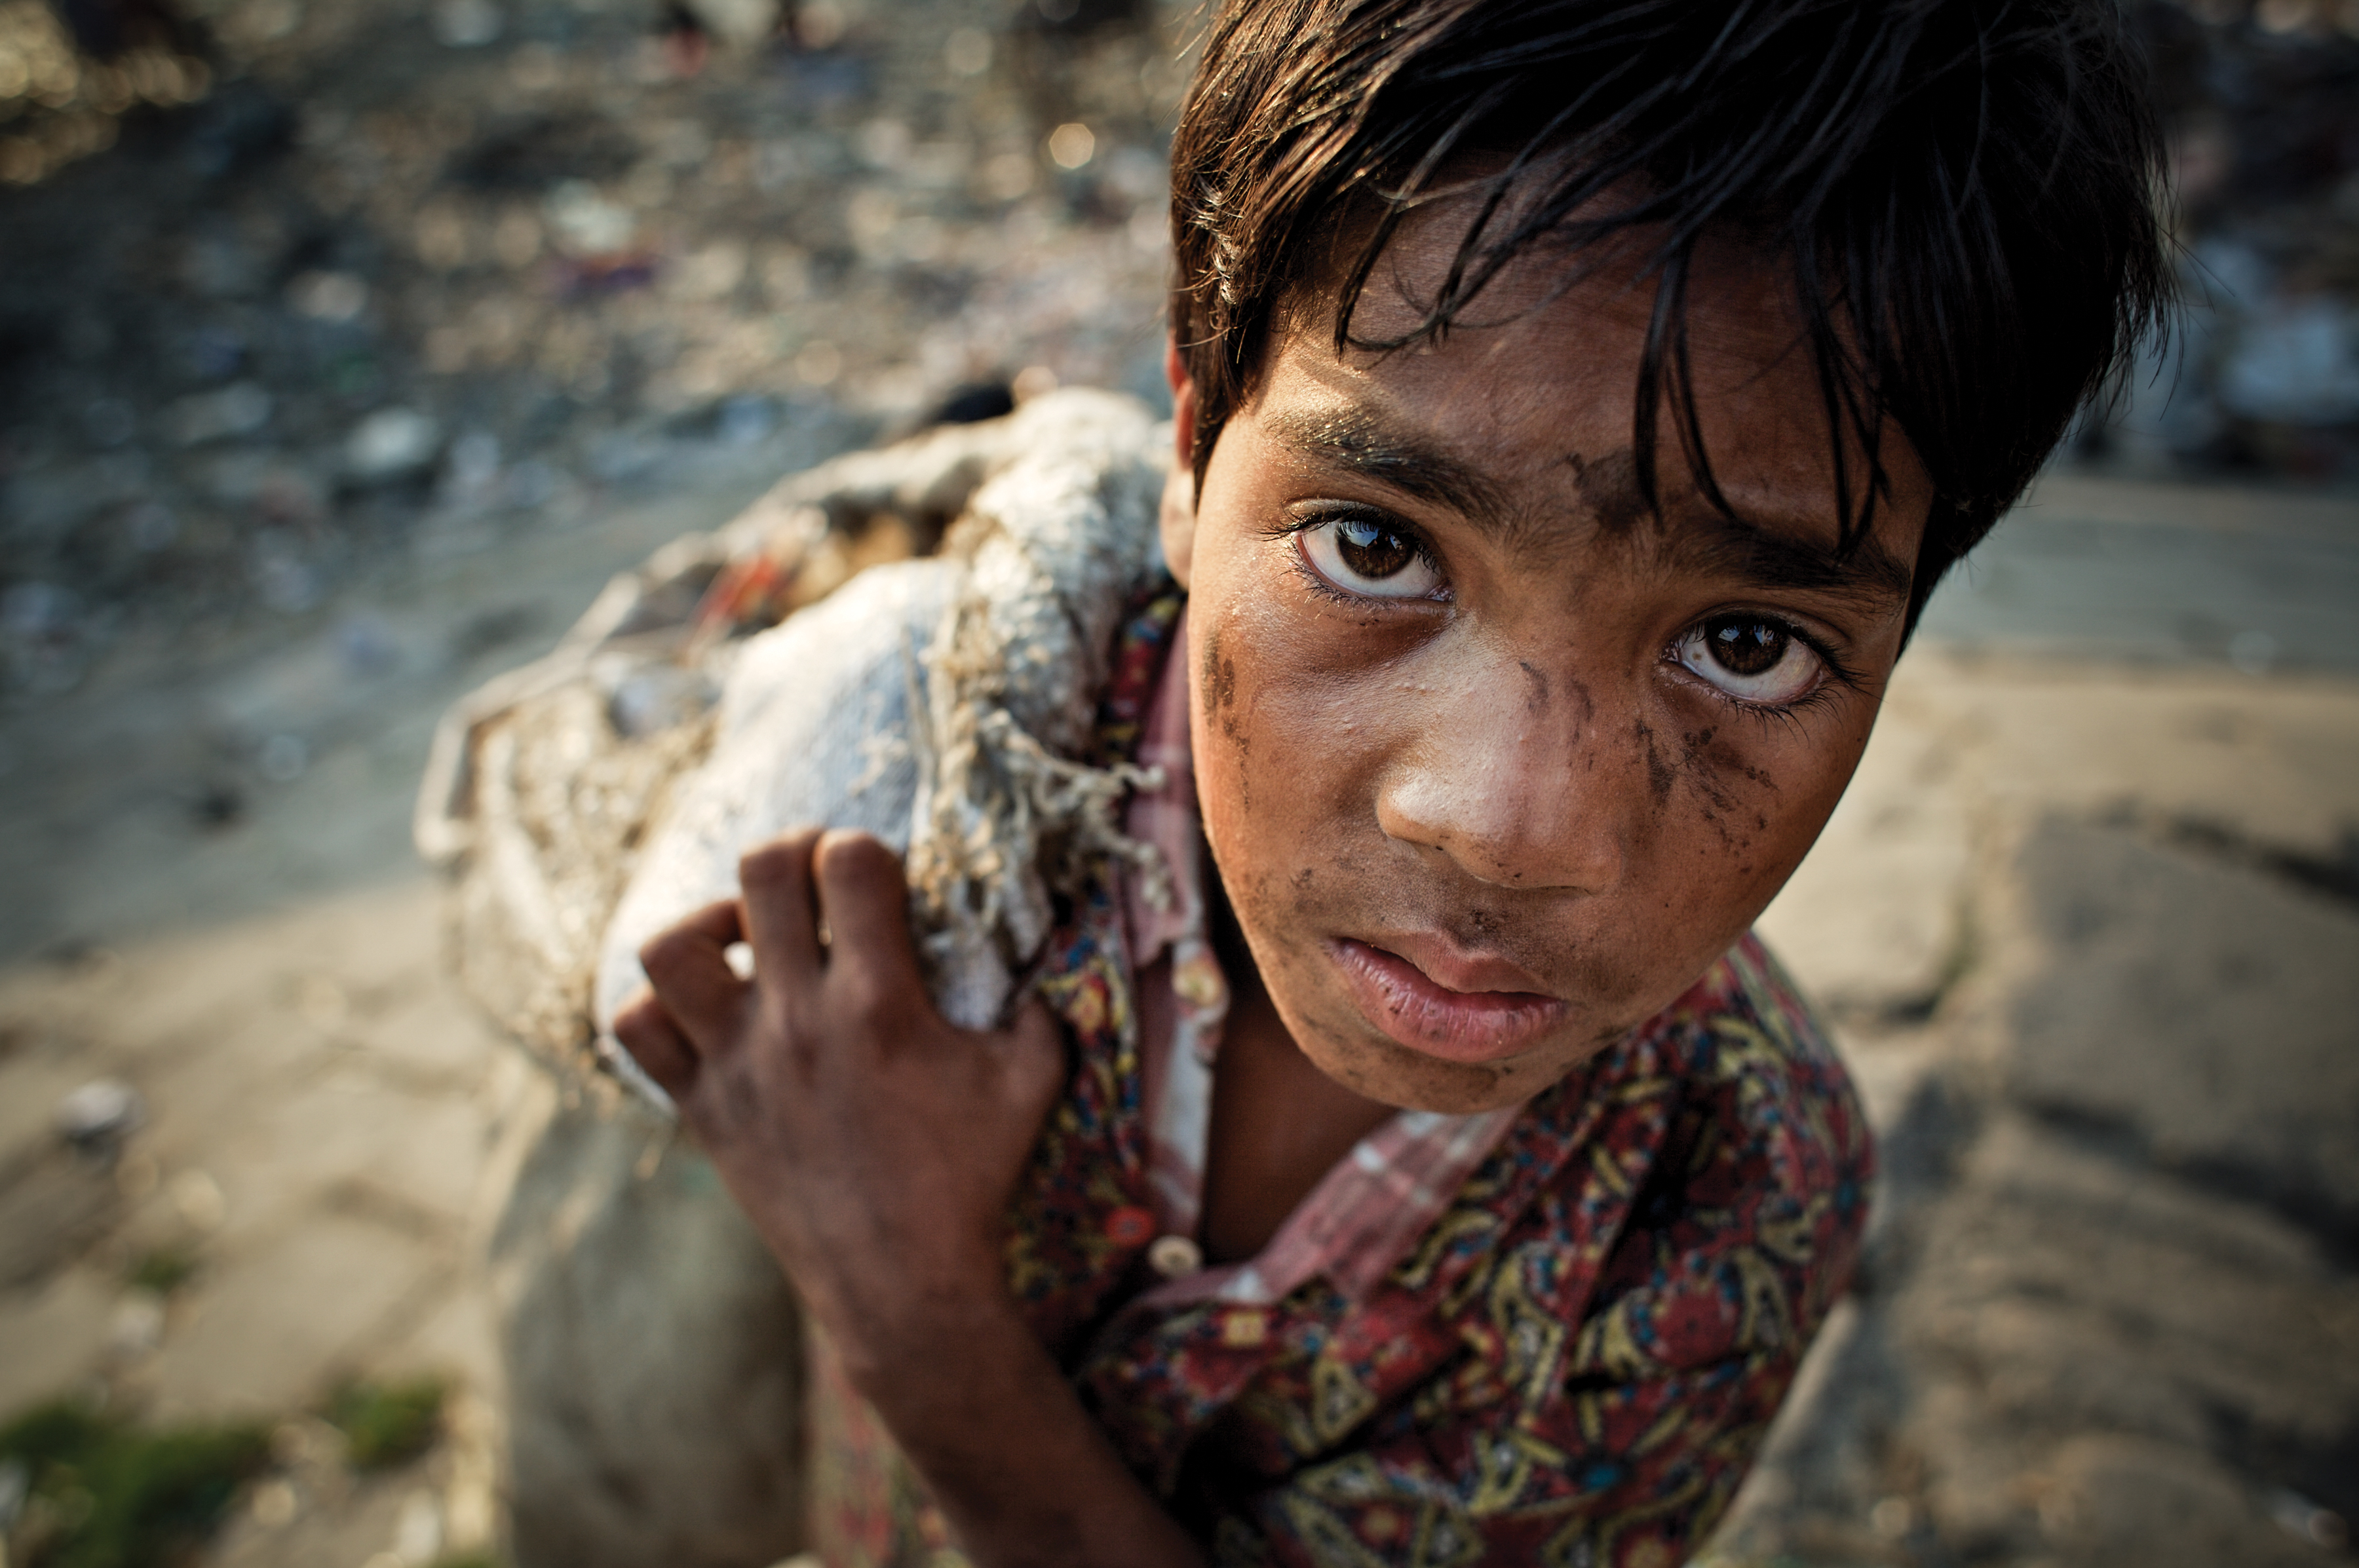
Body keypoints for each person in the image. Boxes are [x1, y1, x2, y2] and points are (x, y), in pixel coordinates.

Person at [608, 0, 2170, 1561]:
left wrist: (907, 1306)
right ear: (1193, 450)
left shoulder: (1728, 1193)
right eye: (1375, 547)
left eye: (1748, 644)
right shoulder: (951, 802)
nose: (1504, 828)